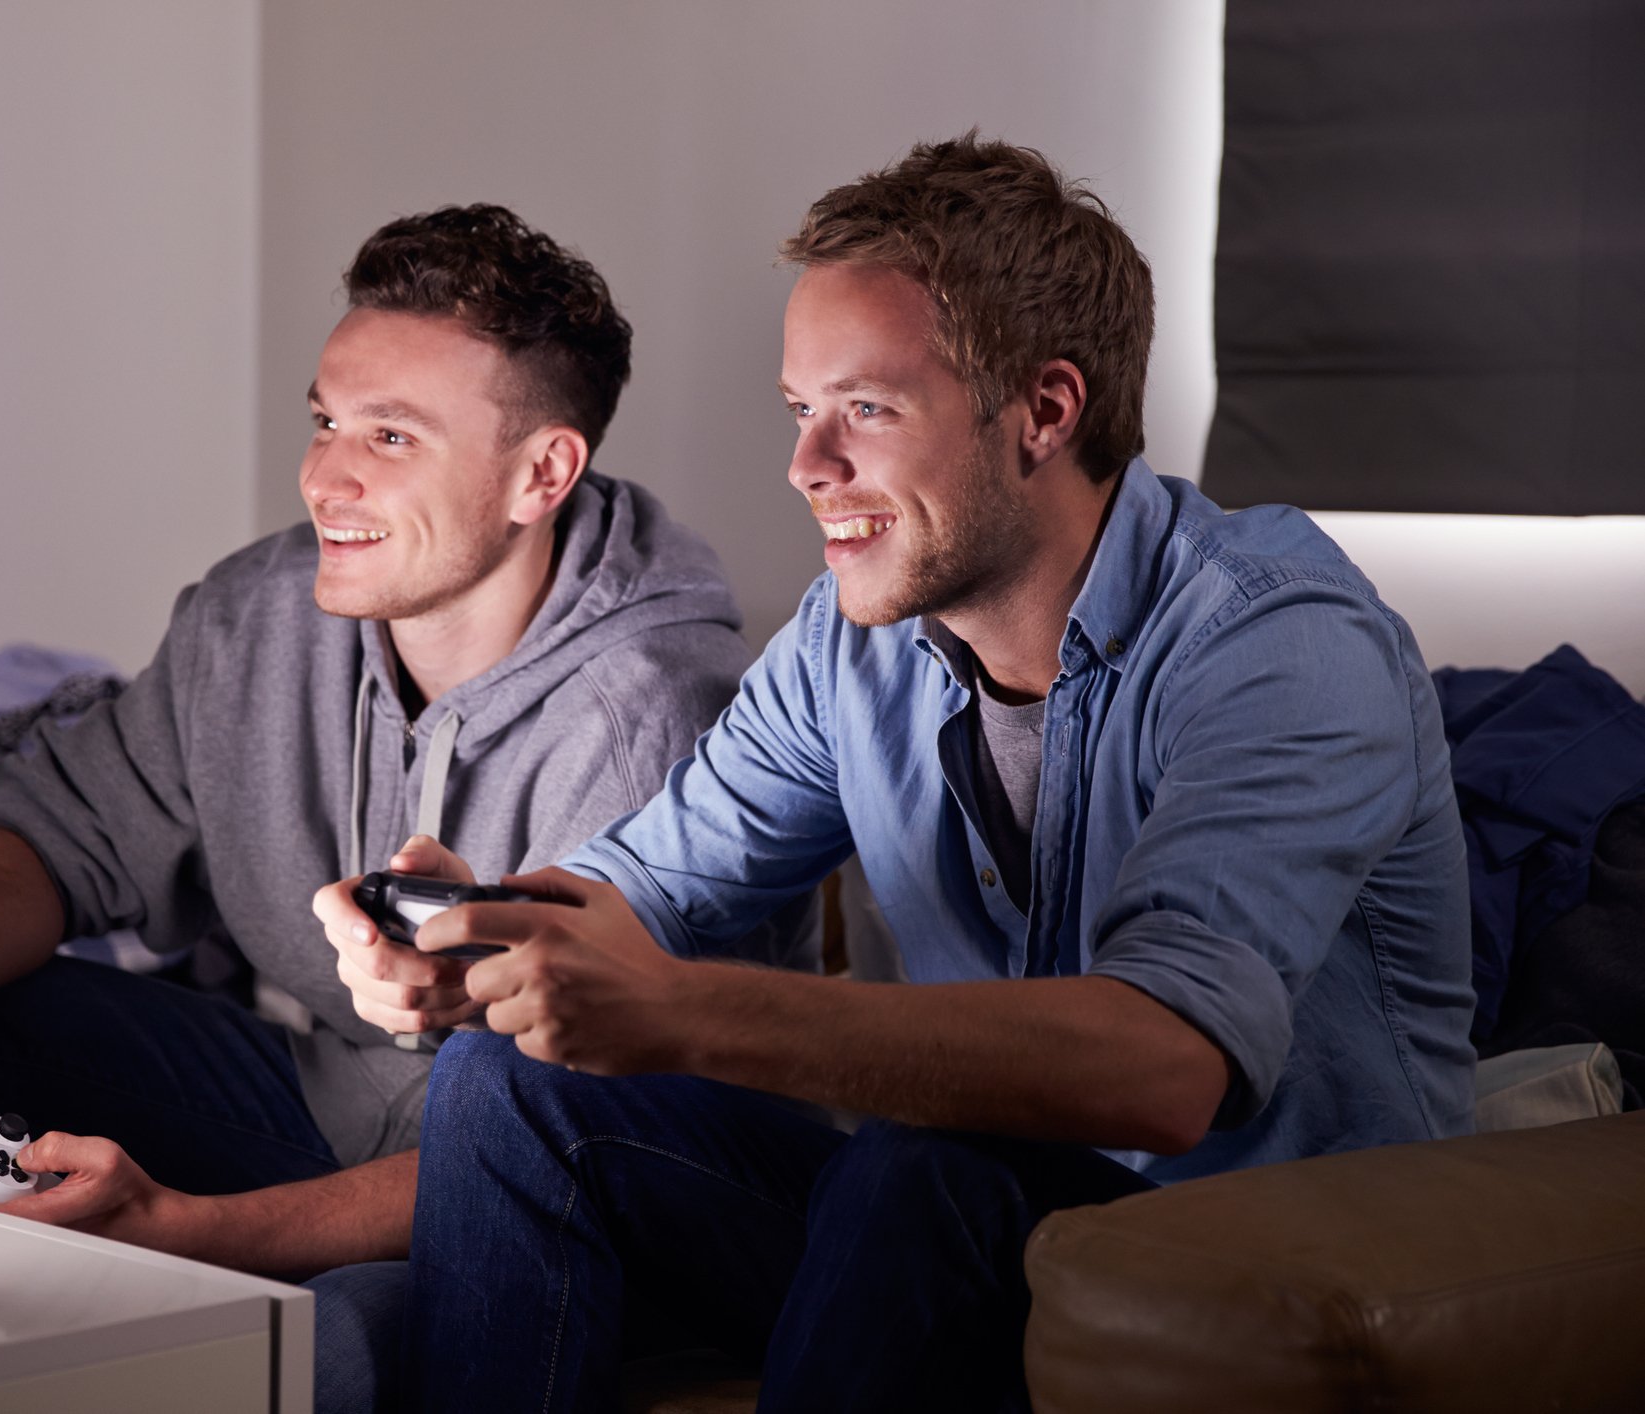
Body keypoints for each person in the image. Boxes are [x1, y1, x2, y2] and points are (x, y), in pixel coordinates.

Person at [318, 136, 1477, 1411]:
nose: (809, 464)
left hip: (1257, 1264)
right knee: (511, 1079)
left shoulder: (1280, 637)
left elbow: (1167, 1065)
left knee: (921, 1171)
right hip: (969, 1228)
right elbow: (645, 882)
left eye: (866, 409)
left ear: (1044, 409)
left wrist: (687, 1013)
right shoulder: (854, 643)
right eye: (799, 410)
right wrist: (474, 931)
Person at [0, 205, 804, 1412]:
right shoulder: (255, 617)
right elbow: (50, 833)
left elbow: (546, 1133)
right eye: (325, 421)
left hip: (564, 1202)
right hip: (324, 1103)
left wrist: (186, 1230)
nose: (323, 476)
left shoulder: (654, 715)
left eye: (391, 437)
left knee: (339, 1345)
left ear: (541, 473)